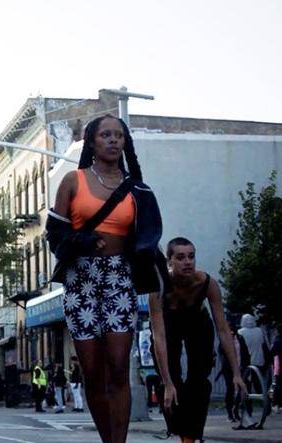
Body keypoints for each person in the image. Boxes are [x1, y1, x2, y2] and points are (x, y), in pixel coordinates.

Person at [45, 114, 169, 443]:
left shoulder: (138, 189)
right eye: (106, 135)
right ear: (93, 142)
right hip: (80, 280)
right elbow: (54, 235)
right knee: (92, 371)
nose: (113, 140)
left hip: (119, 278)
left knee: (117, 367)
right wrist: (81, 240)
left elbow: (148, 236)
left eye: (119, 135)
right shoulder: (73, 180)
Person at [148, 237, 247, 443]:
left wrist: (236, 373)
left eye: (191, 257)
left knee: (199, 382)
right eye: (181, 257)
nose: (188, 262)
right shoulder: (158, 287)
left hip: (197, 322)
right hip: (169, 326)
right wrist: (167, 382)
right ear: (170, 261)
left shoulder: (207, 283)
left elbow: (222, 329)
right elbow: (159, 336)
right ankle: (178, 427)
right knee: (171, 383)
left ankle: (190, 437)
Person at [238, 313, 272, 426]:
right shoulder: (259, 331)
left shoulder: (240, 332)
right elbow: (265, 345)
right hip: (260, 362)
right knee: (260, 387)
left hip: (246, 363)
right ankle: (266, 405)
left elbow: (239, 349)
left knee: (245, 388)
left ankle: (248, 410)